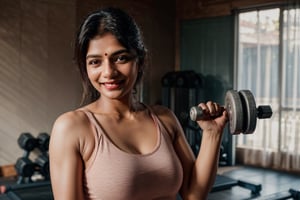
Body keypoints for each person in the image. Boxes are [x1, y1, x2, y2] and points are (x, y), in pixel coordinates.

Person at [49, 7, 228, 200]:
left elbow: (194, 194)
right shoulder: (71, 128)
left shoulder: (165, 119)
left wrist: (212, 133)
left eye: (121, 58)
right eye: (95, 62)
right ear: (85, 67)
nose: (108, 72)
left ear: (140, 60)